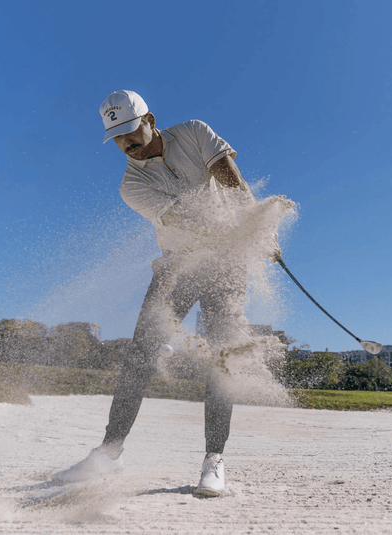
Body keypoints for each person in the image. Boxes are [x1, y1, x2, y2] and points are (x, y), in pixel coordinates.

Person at [52, 90, 277, 497]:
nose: (125, 143)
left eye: (129, 131)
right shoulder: (131, 184)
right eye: (116, 138)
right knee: (141, 352)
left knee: (222, 356)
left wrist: (258, 226)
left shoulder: (192, 132)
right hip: (177, 265)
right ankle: (109, 453)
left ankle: (214, 459)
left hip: (226, 268)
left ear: (149, 119)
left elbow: (228, 174)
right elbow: (184, 218)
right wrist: (240, 233)